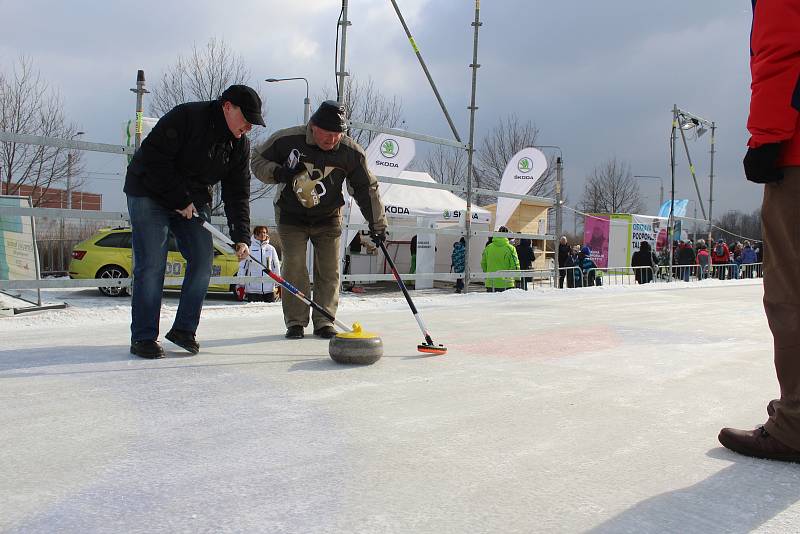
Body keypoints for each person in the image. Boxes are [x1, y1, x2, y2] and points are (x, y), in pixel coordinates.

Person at [123, 84, 262, 358]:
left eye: (252, 124)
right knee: (152, 263)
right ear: (227, 106)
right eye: (245, 120)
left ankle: (184, 330)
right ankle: (143, 337)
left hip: (193, 200)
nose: (248, 128)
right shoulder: (187, 117)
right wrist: (178, 198)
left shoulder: (239, 144)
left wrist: (241, 236)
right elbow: (154, 160)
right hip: (148, 190)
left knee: (202, 259)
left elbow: (237, 192)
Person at [718, 0, 800, 463]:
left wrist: (766, 137)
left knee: (792, 291)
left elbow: (782, 52)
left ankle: (796, 424)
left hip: (798, 151)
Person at [251, 100, 387, 339]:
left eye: (338, 134)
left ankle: (324, 320)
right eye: (327, 133)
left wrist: (378, 225)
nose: (332, 139)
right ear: (313, 126)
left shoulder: (351, 152)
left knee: (330, 269)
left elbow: (367, 189)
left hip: (328, 217)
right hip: (291, 214)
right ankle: (295, 321)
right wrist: (279, 172)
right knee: (294, 265)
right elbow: (257, 160)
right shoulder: (287, 139)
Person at [237, 226, 281, 302]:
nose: (262, 234)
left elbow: (276, 266)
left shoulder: (271, 249)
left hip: (269, 289)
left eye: (264, 232)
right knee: (254, 312)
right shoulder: (249, 249)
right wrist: (241, 285)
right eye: (260, 232)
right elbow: (243, 267)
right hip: (253, 290)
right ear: (255, 234)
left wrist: (279, 284)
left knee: (268, 312)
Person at [481, 226, 520, 292]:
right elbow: (515, 265)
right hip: (506, 283)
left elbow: (483, 263)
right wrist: (517, 279)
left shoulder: (488, 247)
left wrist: (487, 275)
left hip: (491, 282)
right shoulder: (511, 248)